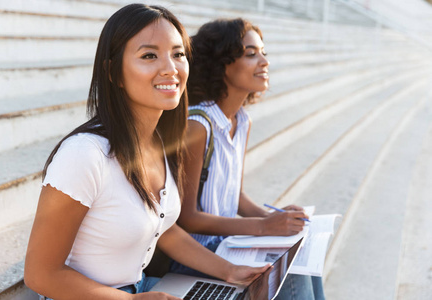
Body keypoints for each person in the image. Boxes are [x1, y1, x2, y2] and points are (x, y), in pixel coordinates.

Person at [24, 5, 270, 299]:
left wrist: (229, 270)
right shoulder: (84, 154)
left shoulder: (157, 141)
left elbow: (164, 228)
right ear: (113, 72)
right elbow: (41, 274)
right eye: (149, 56)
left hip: (141, 288)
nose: (170, 68)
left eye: (178, 54)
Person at [172, 18, 326, 300]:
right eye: (251, 53)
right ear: (222, 64)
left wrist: (276, 218)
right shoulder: (198, 126)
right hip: (198, 255)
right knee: (290, 272)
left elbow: (236, 195)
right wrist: (264, 227)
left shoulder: (242, 121)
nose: (264, 61)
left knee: (301, 252)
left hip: (229, 241)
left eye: (264, 52)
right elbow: (187, 218)